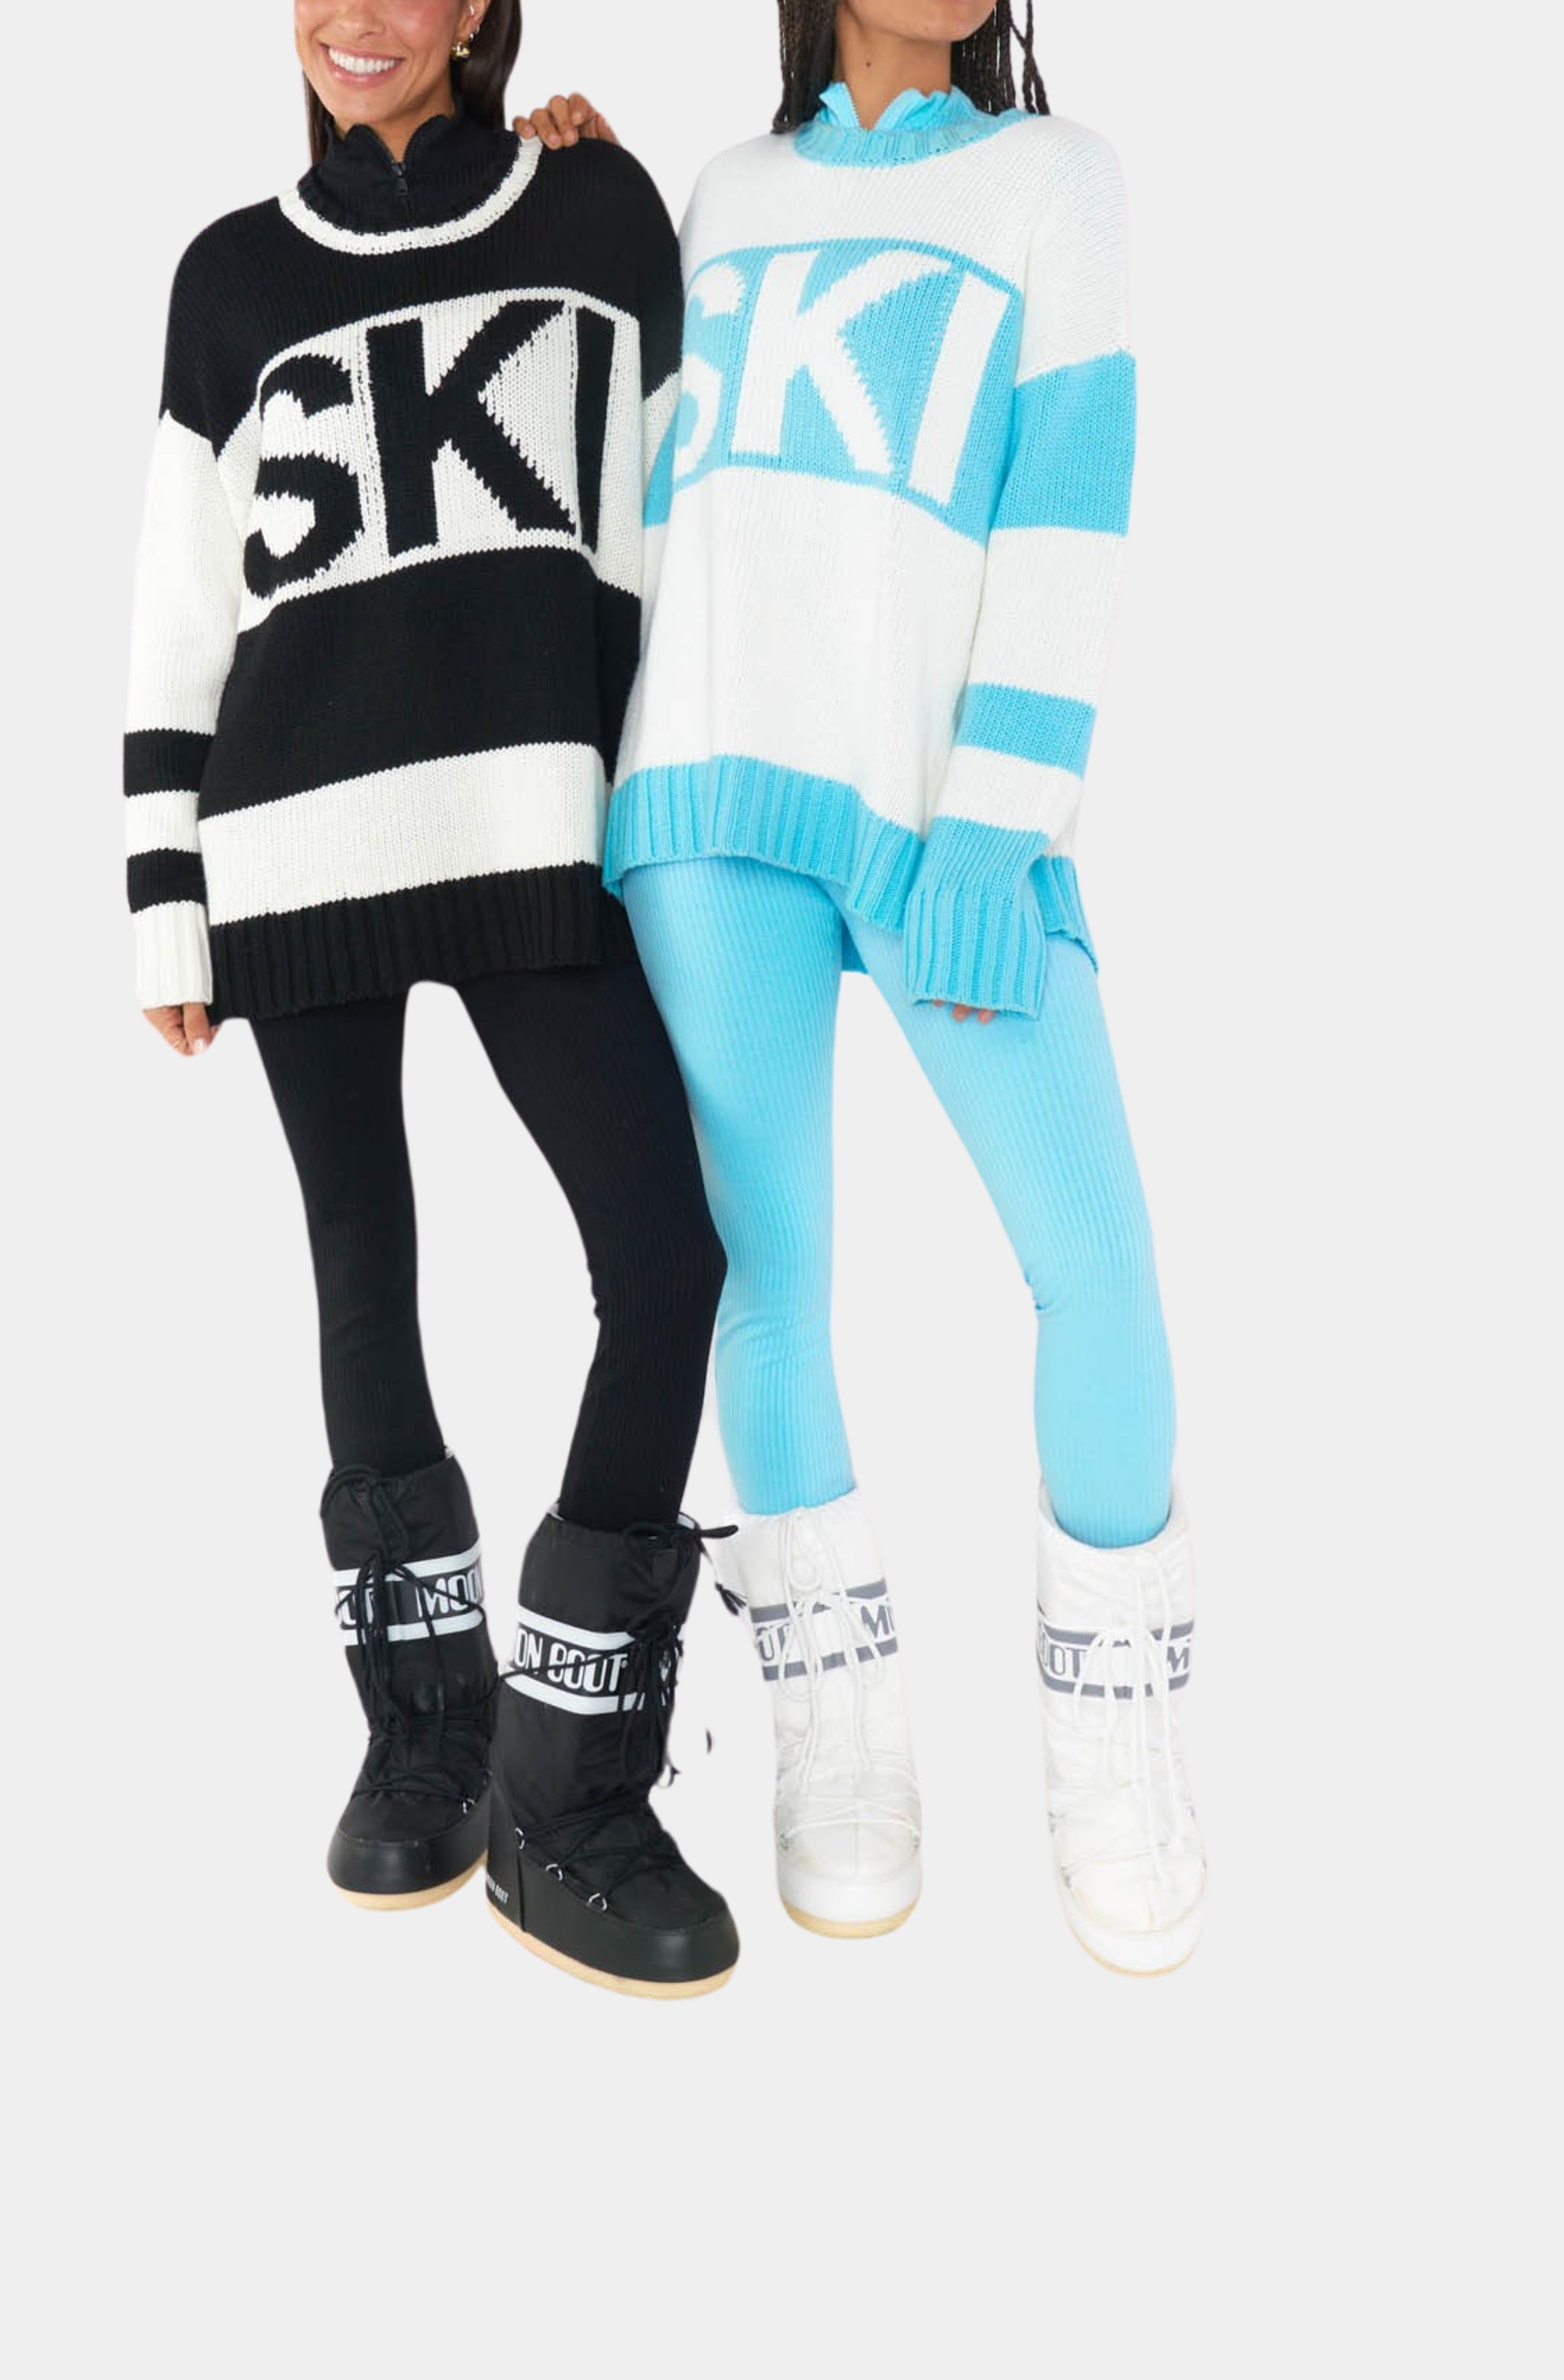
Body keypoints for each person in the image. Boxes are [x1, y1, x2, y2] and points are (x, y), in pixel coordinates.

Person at [519, 0, 1207, 1974]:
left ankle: (1119, 1745)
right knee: (769, 1279)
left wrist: (998, 822)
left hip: (941, 822)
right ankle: (838, 1731)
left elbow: (1071, 516)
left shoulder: (1061, 182)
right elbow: (651, 491)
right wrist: (574, 187)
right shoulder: (724, 194)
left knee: (1096, 1264)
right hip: (707, 804)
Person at [124, 0, 739, 1998]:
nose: (360, 18)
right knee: (360, 1264)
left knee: (668, 1258)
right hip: (290, 843)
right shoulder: (228, 277)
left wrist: (655, 809)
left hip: (535, 825)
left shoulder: (600, 211)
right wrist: (165, 896)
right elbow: (182, 603)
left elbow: (666, 526)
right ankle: (427, 1729)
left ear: (480, 6)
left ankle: (568, 1784)